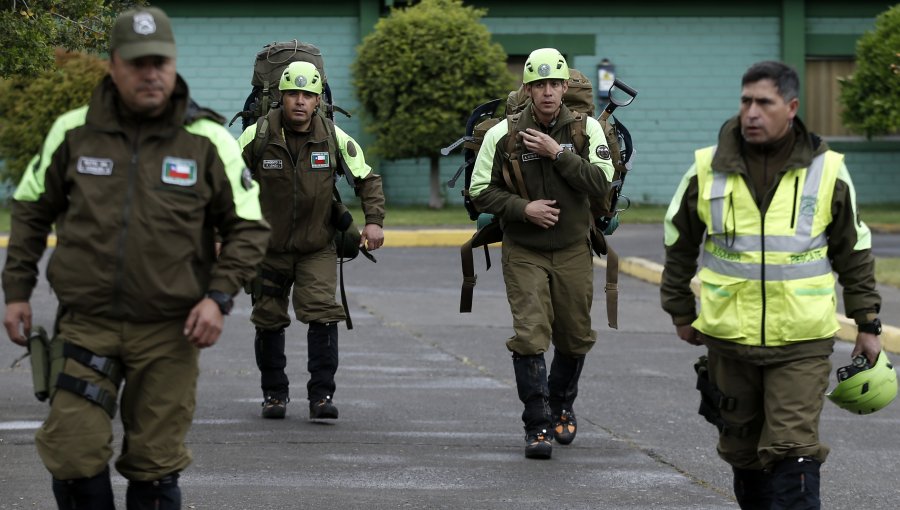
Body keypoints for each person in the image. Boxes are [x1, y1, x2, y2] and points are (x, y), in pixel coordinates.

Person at [1, 6, 270, 509]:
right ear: (113, 65)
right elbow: (32, 210)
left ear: (173, 65)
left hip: (170, 331)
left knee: (155, 466)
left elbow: (248, 228)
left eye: (160, 63)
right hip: (86, 325)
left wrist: (218, 298)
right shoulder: (73, 132)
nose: (151, 73)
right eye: (138, 62)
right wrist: (16, 291)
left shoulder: (208, 140)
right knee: (73, 454)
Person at [660, 60, 882, 509]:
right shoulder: (707, 168)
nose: (752, 113)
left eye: (764, 102)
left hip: (801, 340)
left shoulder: (827, 170)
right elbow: (678, 241)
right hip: (727, 337)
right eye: (746, 101)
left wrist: (868, 321)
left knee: (794, 449)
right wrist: (681, 310)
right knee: (743, 455)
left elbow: (853, 252)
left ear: (791, 107)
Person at [468, 48, 614, 459]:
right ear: (528, 88)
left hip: (573, 250)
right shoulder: (504, 133)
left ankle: (562, 403)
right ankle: (537, 425)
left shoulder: (586, 130)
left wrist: (559, 153)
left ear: (565, 87)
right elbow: (480, 190)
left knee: (575, 336)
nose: (548, 92)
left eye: (555, 84)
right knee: (531, 337)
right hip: (525, 250)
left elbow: (601, 184)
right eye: (540, 84)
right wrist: (522, 208)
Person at [237, 60, 385, 421]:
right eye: (293, 94)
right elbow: (223, 181)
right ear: (281, 98)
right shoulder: (256, 135)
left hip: (317, 244)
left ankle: (321, 395)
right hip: (267, 247)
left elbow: (367, 178)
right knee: (268, 318)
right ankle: (274, 394)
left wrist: (374, 222)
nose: (300, 101)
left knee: (322, 313)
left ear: (318, 101)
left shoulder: (333, 137)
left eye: (308, 95)